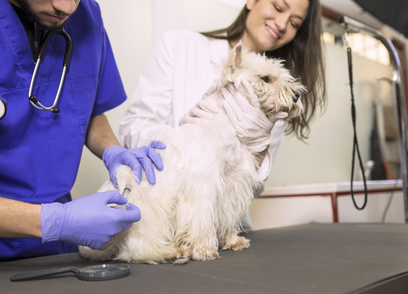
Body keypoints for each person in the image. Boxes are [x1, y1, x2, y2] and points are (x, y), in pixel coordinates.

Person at [120, 0, 327, 228]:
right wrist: (190, 148)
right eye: (278, 7)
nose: (281, 24)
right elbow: (134, 127)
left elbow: (253, 186)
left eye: (294, 23)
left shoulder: (276, 94)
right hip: (162, 220)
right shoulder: (179, 46)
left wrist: (255, 145)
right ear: (251, 1)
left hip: (222, 229)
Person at [0, 0, 165, 261]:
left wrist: (113, 150)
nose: (66, 8)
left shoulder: (87, 15)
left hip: (59, 248)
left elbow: (84, 106)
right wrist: (57, 221)